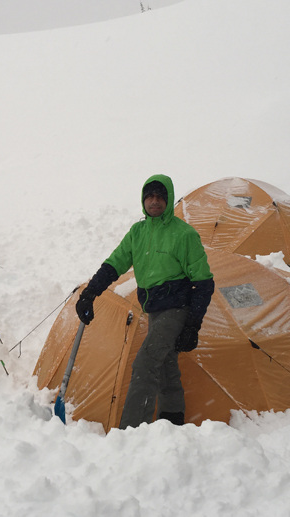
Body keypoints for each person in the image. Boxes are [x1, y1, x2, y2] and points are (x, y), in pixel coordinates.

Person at [75, 174, 214, 429]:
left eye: (160, 196)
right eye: (149, 196)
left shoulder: (184, 234)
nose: (154, 201)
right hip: (154, 310)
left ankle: (131, 432)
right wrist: (89, 293)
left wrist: (193, 324)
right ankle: (172, 422)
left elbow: (203, 283)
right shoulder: (137, 232)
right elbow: (114, 264)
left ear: (169, 200)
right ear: (143, 200)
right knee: (165, 366)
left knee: (145, 363)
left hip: (177, 309)